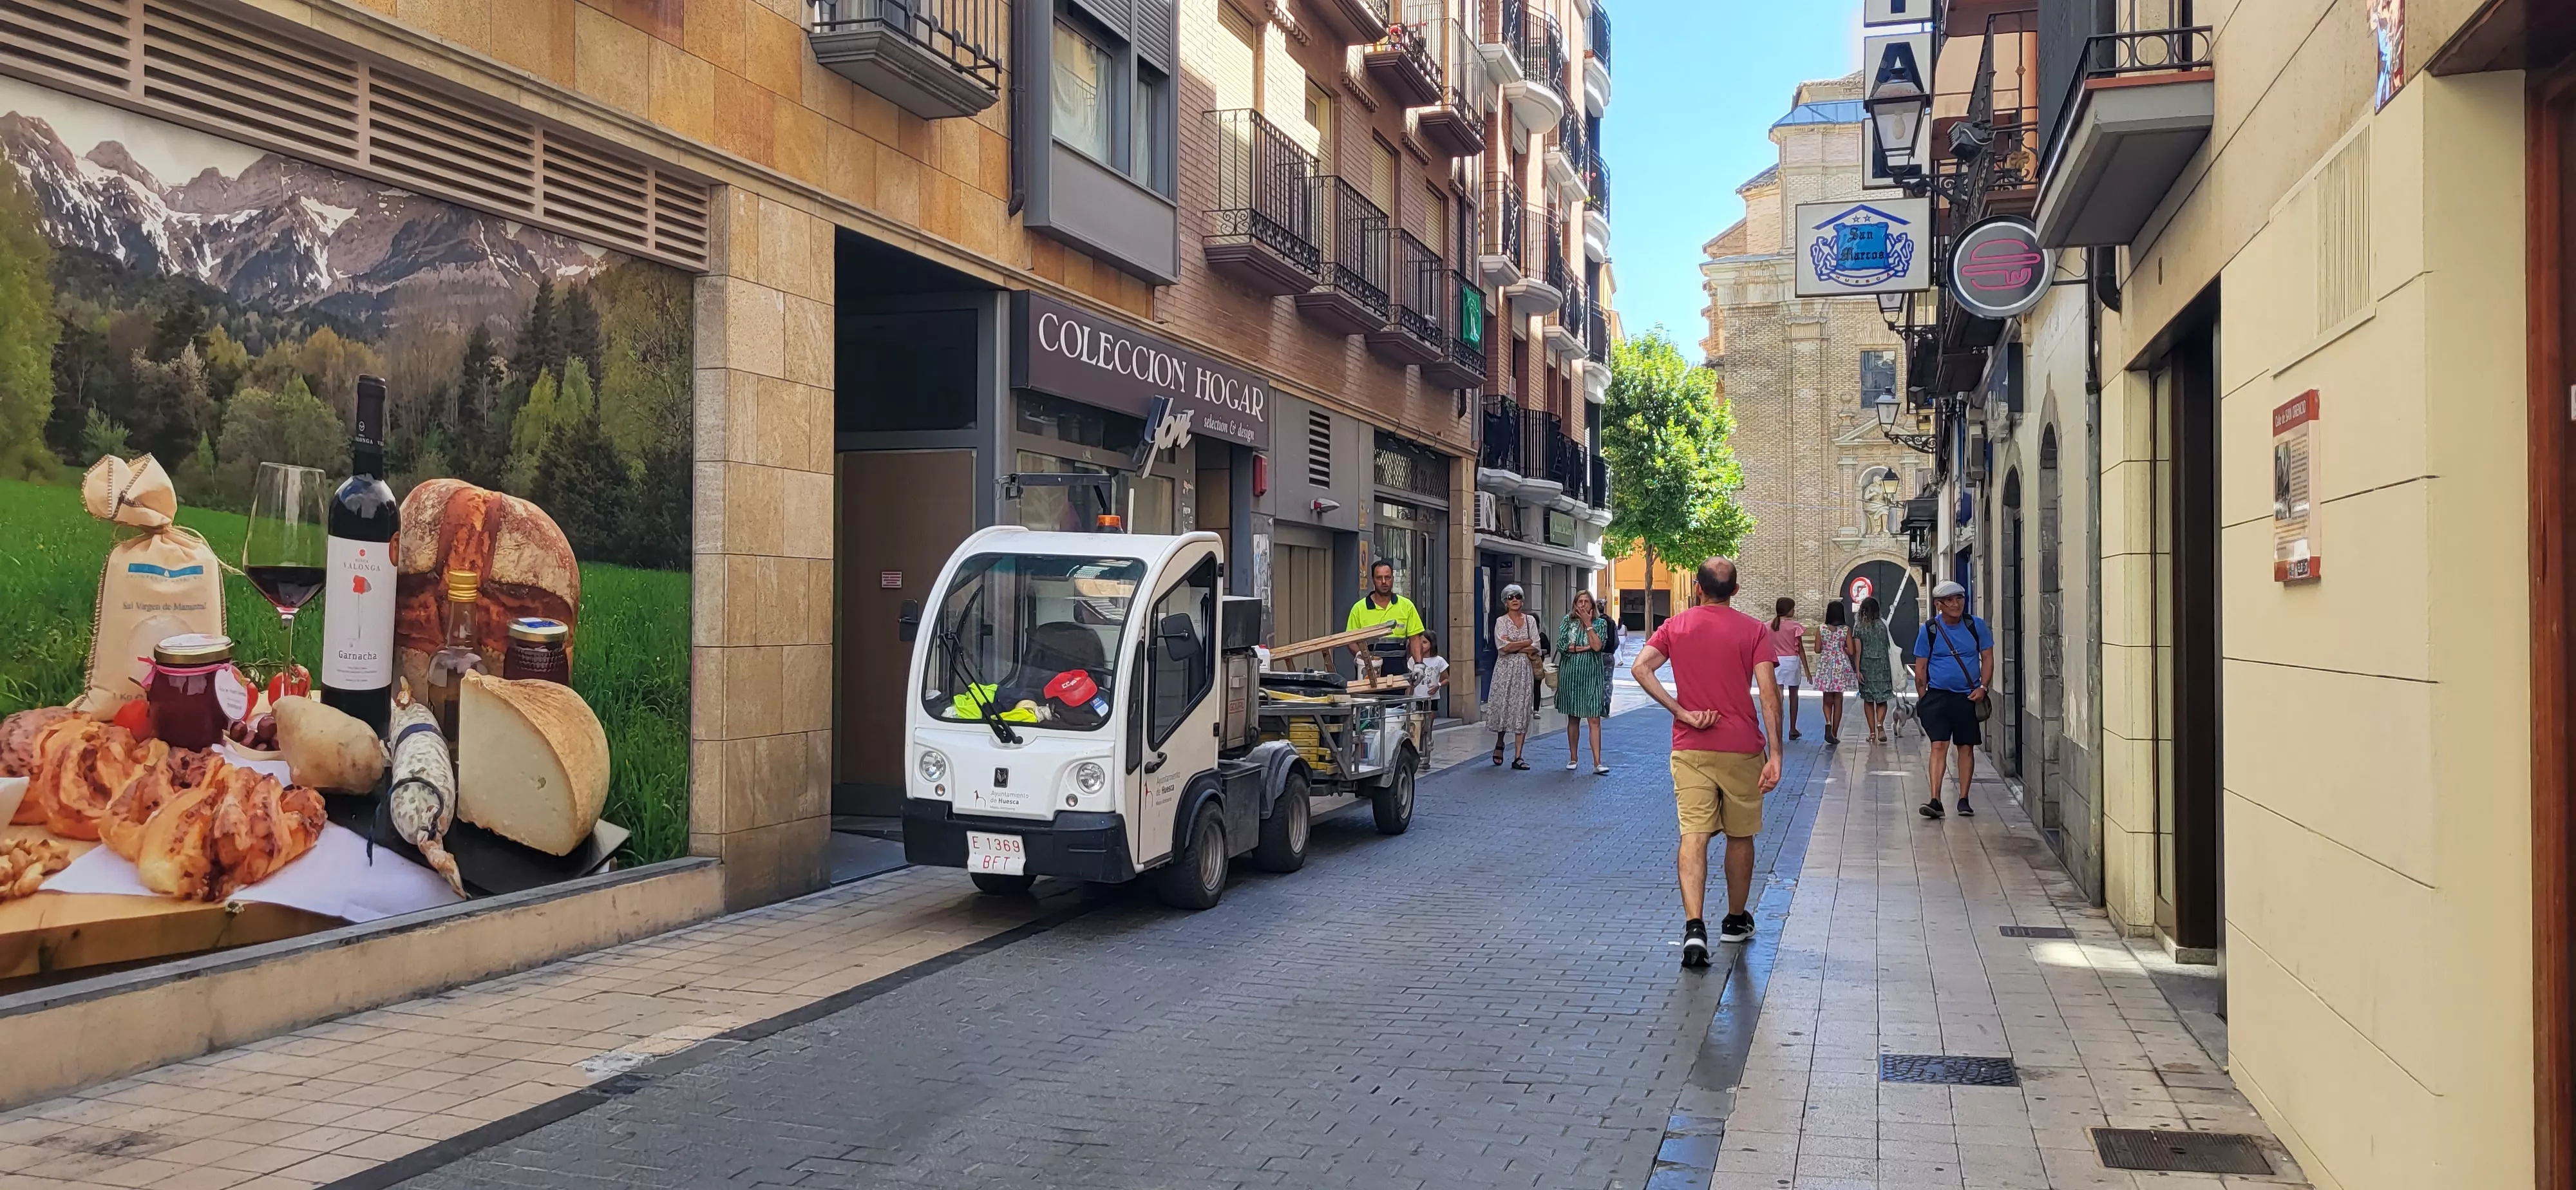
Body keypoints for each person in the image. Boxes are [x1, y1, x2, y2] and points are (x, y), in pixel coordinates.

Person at [1633, 558, 1783, 965]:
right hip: (1741, 749)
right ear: (1736, 590)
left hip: (1690, 747)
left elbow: (1640, 667)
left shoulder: (1675, 626)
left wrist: (1680, 712)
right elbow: (1769, 695)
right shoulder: (1754, 631)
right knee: (1740, 835)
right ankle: (1735, 921)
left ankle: (1693, 927)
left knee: (1693, 835)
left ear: (1698, 589)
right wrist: (1777, 753)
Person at [1912, 581, 1995, 819]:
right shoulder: (1929, 630)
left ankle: (1964, 799)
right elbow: (1921, 667)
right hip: (1937, 696)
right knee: (1938, 746)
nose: (1956, 604)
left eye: (1959, 598)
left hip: (1968, 696)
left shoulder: (1975, 626)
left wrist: (1983, 687)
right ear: (1939, 605)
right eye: (1949, 600)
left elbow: (1988, 659)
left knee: (1966, 747)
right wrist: (1924, 698)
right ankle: (1936, 799)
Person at [1555, 590, 1611, 774]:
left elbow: (1597, 646)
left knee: (1594, 718)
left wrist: (1588, 625)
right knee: (1573, 717)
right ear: (1575, 604)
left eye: (1587, 602)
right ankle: (1573, 758)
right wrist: (1584, 648)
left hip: (1592, 676)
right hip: (1571, 676)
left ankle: (1597, 762)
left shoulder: (1600, 624)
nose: (1583, 605)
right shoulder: (1567, 622)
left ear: (1592, 605)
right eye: (1580, 601)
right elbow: (1564, 646)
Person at [1486, 585, 1540, 769]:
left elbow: (1537, 645)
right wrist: (1525, 643)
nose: (1514, 600)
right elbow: (1503, 647)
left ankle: (1518, 756)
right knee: (1504, 705)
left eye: (1518, 596)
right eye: (1510, 597)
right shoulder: (1501, 621)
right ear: (1505, 602)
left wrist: (1515, 644)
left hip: (1524, 670)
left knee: (1522, 709)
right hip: (1504, 670)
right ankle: (1500, 742)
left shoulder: (1530, 620)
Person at [1347, 559, 1425, 681]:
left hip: (1398, 676)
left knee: (1396, 701)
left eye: (1388, 577)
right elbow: (1351, 640)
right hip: (1368, 675)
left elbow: (1415, 638)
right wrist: (1360, 656)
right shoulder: (1359, 608)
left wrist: (1419, 664)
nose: (1384, 582)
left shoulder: (1406, 606)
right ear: (1373, 580)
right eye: (1379, 578)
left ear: (1393, 578)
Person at [1808, 600, 1858, 746]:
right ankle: (1835, 733)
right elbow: (1852, 651)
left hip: (1826, 665)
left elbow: (1817, 649)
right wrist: (1842, 649)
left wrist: (1827, 648)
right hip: (1841, 666)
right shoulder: (1846, 630)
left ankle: (1828, 722)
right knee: (1839, 700)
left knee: (1827, 698)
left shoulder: (1821, 629)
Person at [1854, 596, 1899, 742]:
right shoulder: (1883, 625)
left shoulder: (1859, 627)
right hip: (1883, 665)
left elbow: (1858, 650)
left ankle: (1872, 733)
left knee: (1868, 700)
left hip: (1866, 665)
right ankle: (1880, 723)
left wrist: (1857, 669)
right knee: (1882, 698)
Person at [1407, 631, 1450, 702]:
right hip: (1416, 698)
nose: (1422, 645)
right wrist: (1407, 698)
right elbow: (1409, 682)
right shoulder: (1413, 660)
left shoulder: (1439, 661)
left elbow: (1446, 679)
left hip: (1432, 698)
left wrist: (1438, 685)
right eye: (1420, 643)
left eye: (1425, 642)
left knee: (1430, 712)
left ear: (1432, 644)